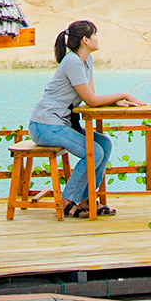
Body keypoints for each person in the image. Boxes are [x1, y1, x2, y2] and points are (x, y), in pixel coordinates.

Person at [28, 20, 138, 218]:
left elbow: (91, 97)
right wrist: (124, 94)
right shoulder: (72, 62)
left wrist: (114, 102)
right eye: (94, 34)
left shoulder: (86, 61)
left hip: (61, 123)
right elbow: (92, 99)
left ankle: (87, 199)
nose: (97, 38)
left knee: (103, 144)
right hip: (45, 124)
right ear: (86, 40)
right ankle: (67, 200)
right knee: (93, 152)